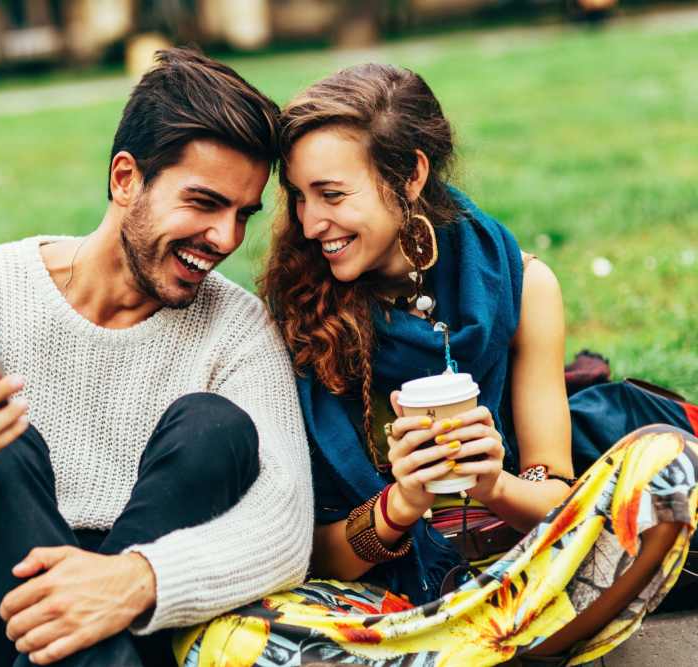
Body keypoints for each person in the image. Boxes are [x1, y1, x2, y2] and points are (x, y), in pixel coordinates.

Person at [180, 63, 698, 666]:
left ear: (411, 174)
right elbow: (309, 554)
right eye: (297, 196)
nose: (309, 222)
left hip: (526, 565)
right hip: (390, 598)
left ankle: (473, 644)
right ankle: (506, 643)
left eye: (332, 194)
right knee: (228, 639)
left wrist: (494, 484)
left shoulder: (523, 285)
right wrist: (400, 505)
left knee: (669, 468)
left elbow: (553, 489)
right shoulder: (292, 313)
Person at [0, 48, 313, 667]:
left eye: (243, 215)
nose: (227, 239)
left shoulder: (236, 327)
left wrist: (133, 579)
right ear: (126, 178)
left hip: (148, 613)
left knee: (216, 426)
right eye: (204, 203)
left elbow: (286, 529)